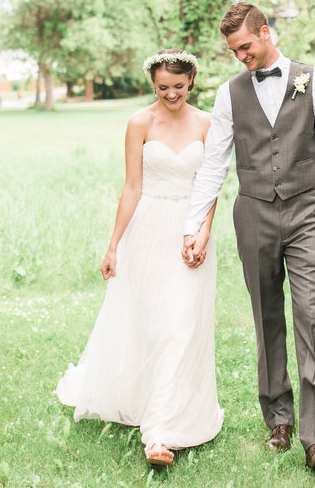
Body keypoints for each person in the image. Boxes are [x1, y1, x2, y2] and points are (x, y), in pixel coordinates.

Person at [182, 3, 315, 474]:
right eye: (234, 51)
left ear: (266, 32)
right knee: (266, 316)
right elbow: (213, 164)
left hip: (306, 213)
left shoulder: (314, 81)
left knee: (311, 315)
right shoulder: (228, 94)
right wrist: (194, 225)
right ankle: (277, 416)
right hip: (253, 213)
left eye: (246, 47)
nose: (241, 57)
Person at [56, 50, 224, 468]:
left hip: (189, 229)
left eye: (179, 87)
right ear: (153, 84)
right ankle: (144, 403)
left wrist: (202, 232)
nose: (171, 94)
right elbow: (131, 187)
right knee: (148, 323)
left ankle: (159, 434)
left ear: (192, 82)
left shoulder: (207, 124)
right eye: (163, 87)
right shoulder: (139, 123)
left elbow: (212, 186)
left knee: (180, 324)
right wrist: (113, 244)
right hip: (147, 231)